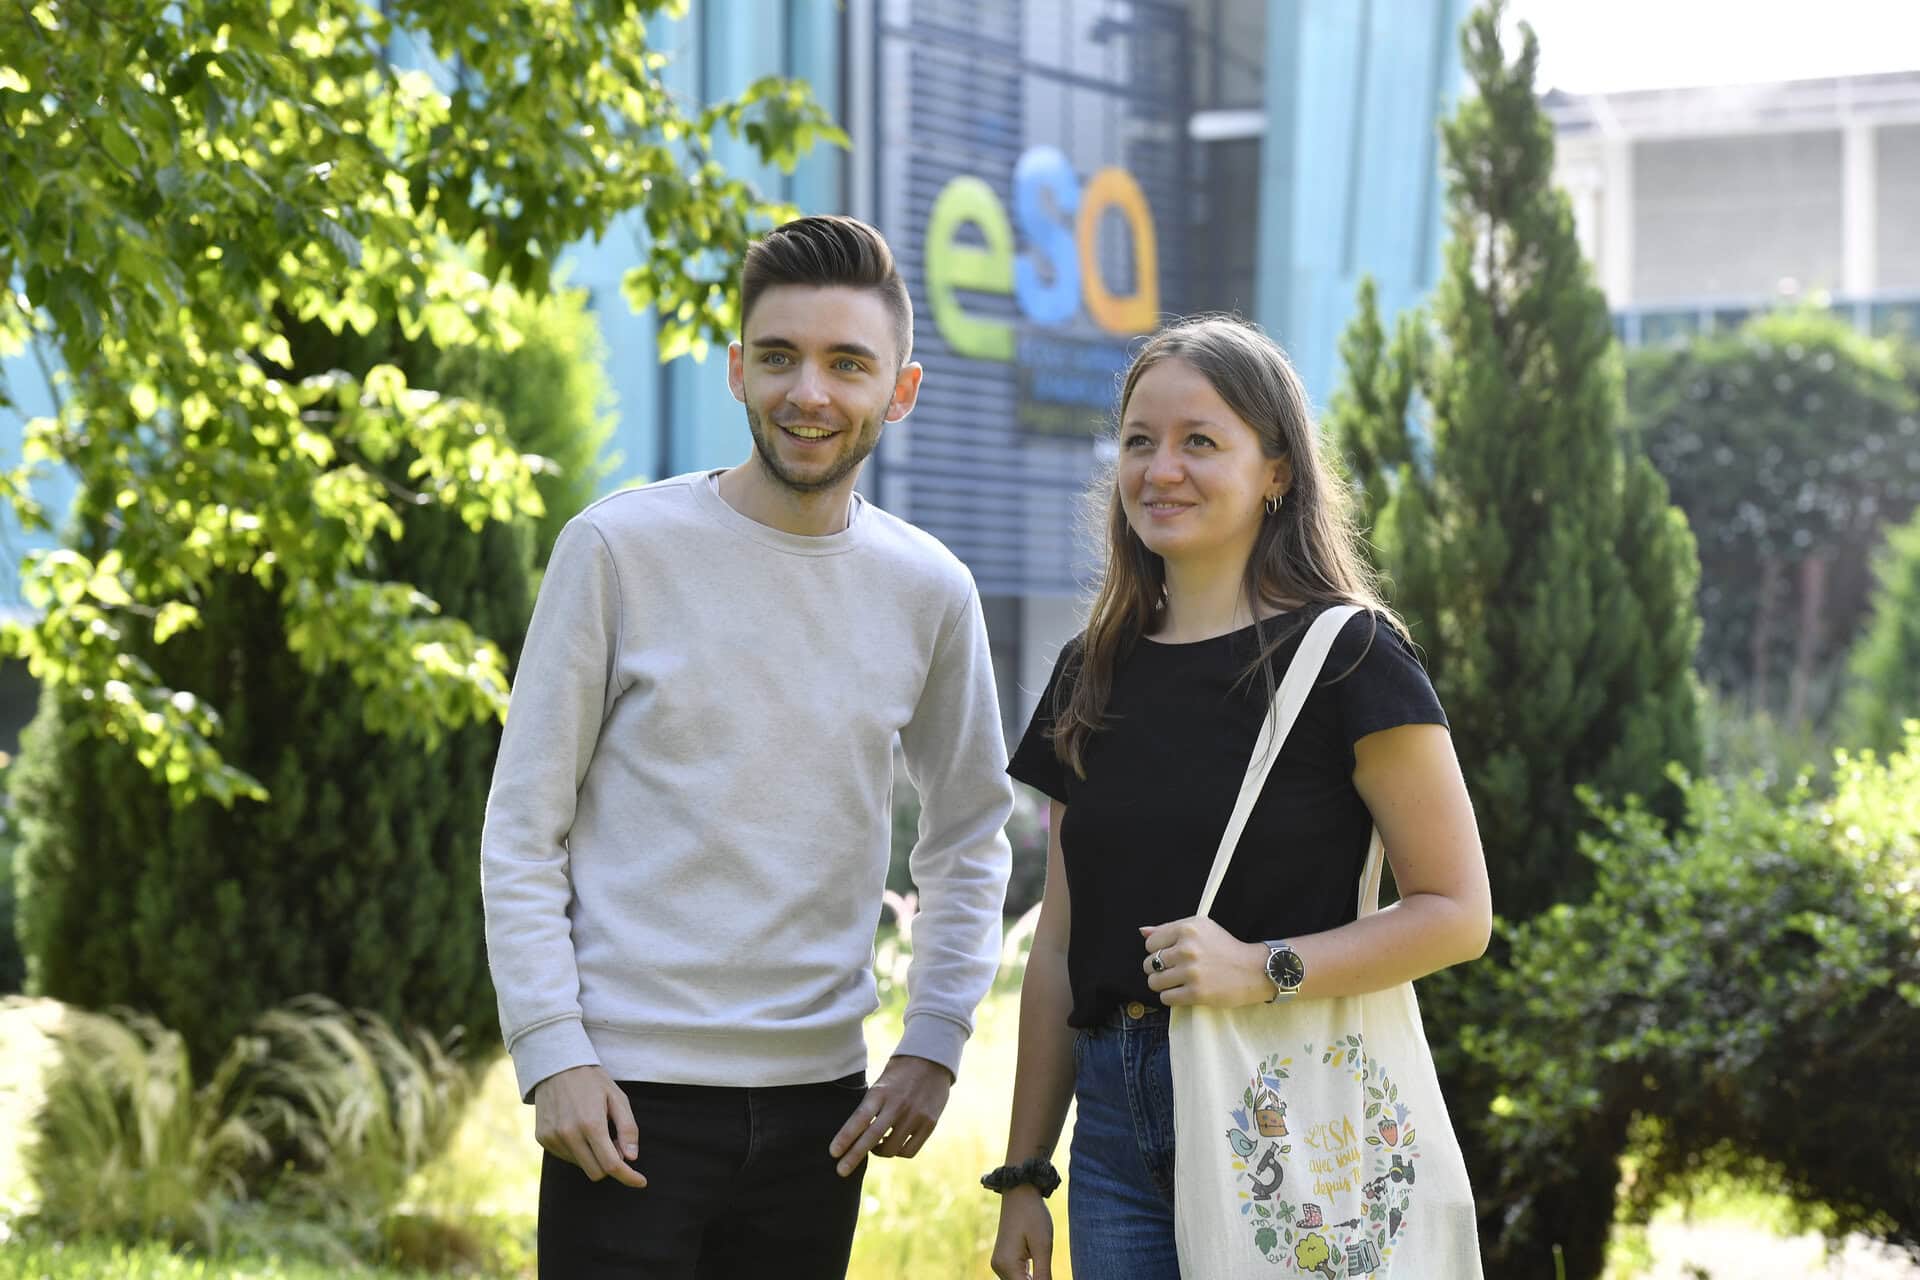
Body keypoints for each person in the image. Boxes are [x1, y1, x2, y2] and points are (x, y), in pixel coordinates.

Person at [481, 215, 1015, 1279]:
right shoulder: (616, 550)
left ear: (900, 390)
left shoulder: (931, 590)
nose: (807, 392)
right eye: (779, 357)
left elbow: (970, 836)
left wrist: (935, 1038)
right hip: (623, 1101)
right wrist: (552, 1051)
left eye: (847, 363)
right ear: (736, 370)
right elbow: (523, 827)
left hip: (822, 1113)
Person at [985, 316, 1492, 1280]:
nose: (1161, 470)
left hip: (1289, 1108)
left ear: (1277, 473)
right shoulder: (1090, 670)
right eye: (1140, 440)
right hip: (1112, 1134)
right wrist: (1024, 1173)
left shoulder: (1351, 657)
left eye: (1201, 441)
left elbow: (1458, 913)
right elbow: (1059, 941)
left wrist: (1264, 968)